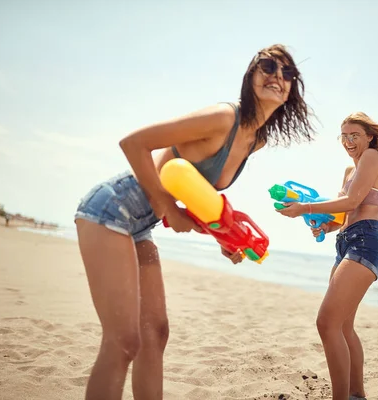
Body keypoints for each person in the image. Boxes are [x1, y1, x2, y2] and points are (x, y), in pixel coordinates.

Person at [73, 44, 315, 400]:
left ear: (292, 88)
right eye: (267, 66)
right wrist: (166, 205)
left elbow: (194, 189)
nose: (277, 76)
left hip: (140, 225)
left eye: (287, 73)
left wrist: (223, 237)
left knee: (155, 334)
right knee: (123, 341)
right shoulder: (224, 117)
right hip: (111, 209)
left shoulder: (255, 141)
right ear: (251, 75)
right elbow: (134, 143)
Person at [276, 112, 378, 400]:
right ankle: (356, 395)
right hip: (346, 242)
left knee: (326, 323)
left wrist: (302, 208)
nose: (348, 141)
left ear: (369, 136)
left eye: (354, 135)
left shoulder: (372, 157)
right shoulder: (350, 171)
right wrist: (327, 224)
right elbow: (344, 213)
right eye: (344, 136)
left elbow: (353, 201)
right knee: (344, 326)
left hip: (366, 242)